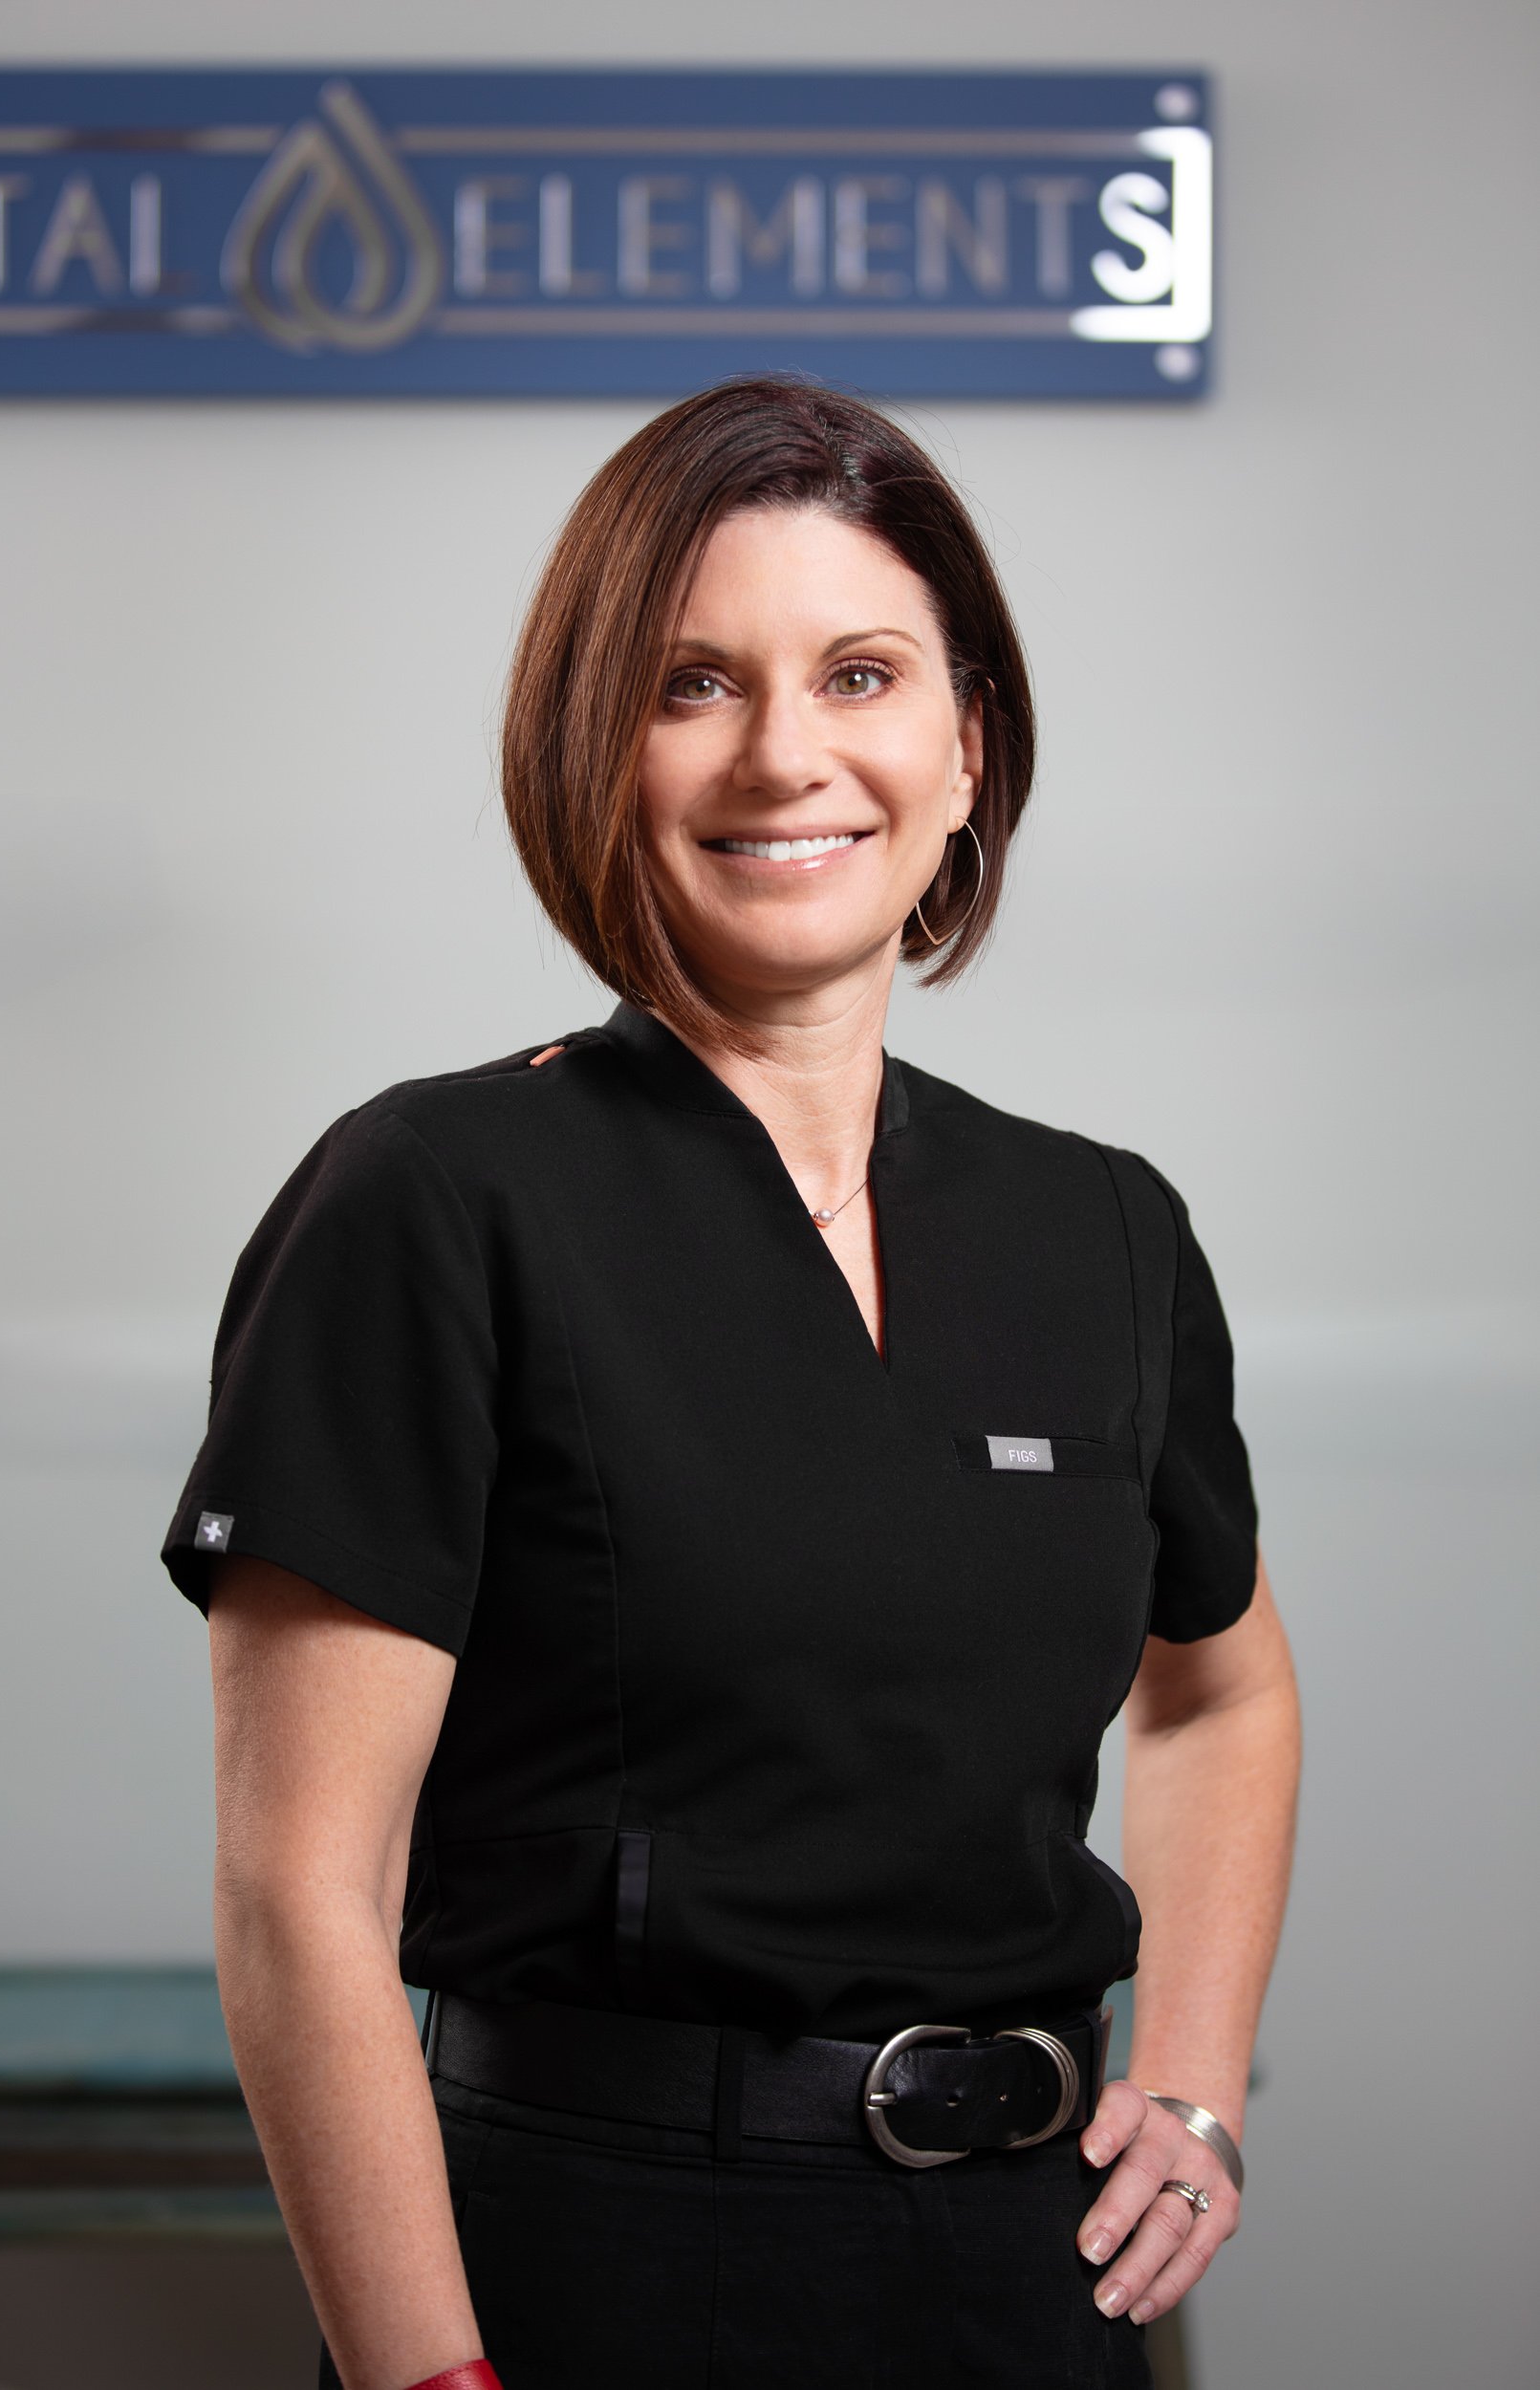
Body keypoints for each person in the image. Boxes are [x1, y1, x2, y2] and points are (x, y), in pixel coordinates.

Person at [161, 377, 1301, 2390]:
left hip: (1026, 2280)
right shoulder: (431, 1197)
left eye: (860, 672)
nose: (790, 751)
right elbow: (296, 1890)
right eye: (696, 682)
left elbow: (1218, 1680)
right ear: (598, 747)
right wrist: (434, 2377)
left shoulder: (1102, 1227)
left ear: (969, 740)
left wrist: (1194, 2080)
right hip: (586, 2265)